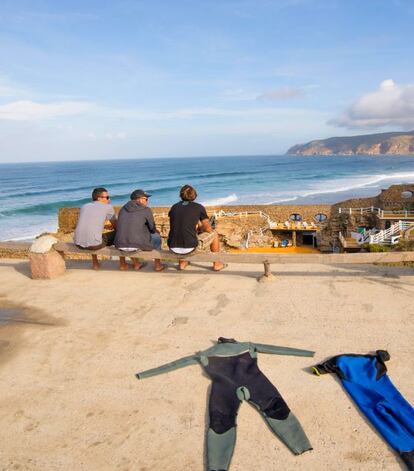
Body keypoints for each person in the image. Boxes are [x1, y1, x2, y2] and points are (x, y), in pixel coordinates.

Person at [168, 185, 225, 271]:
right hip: (190, 248)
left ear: (180, 196)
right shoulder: (198, 207)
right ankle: (217, 264)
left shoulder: (174, 207)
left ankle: (182, 263)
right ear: (195, 196)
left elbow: (179, 224)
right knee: (214, 234)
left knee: (181, 231)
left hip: (172, 247)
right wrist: (201, 228)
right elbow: (208, 229)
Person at [74, 187, 123, 270]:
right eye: (107, 197)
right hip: (94, 245)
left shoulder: (84, 206)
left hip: (78, 243)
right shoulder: (108, 207)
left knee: (94, 236)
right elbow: (116, 226)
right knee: (119, 233)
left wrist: (104, 226)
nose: (109, 199)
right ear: (99, 198)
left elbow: (90, 223)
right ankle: (123, 264)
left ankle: (95, 264)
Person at [114, 189, 164, 272]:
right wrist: (154, 231)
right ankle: (158, 265)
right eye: (146, 199)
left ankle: (128, 264)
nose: (147, 202)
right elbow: (152, 228)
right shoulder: (146, 210)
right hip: (136, 245)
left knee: (127, 234)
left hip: (120, 244)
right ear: (140, 199)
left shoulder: (122, 209)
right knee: (156, 237)